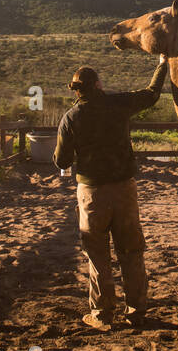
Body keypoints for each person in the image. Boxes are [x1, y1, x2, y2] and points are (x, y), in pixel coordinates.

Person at [54, 55, 169, 330]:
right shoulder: (118, 104)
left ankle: (103, 314)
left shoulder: (71, 118)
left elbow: (61, 162)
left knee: (97, 255)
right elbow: (152, 94)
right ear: (98, 84)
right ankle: (136, 312)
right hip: (125, 191)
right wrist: (162, 64)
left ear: (76, 89)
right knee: (131, 251)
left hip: (91, 194)